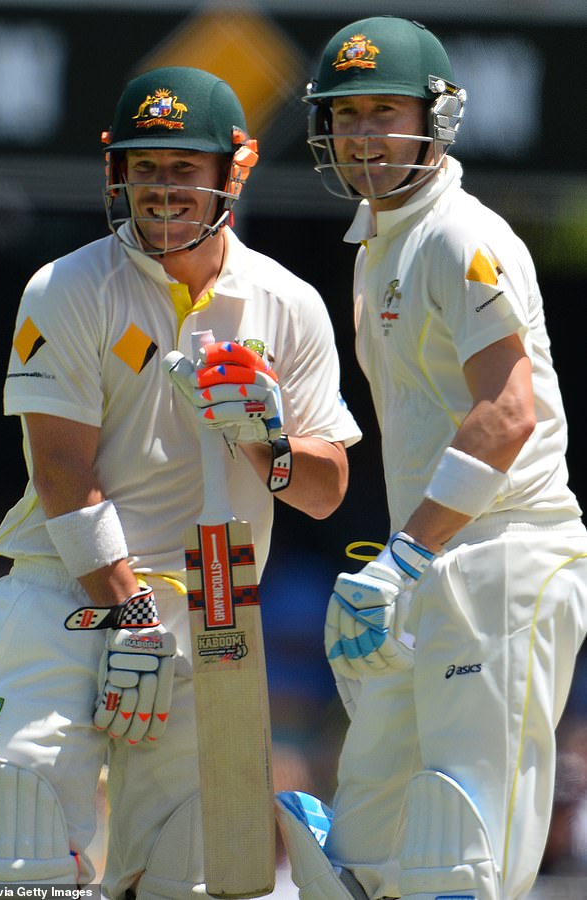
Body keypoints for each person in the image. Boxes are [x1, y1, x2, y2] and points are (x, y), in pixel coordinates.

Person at [0, 66, 361, 898]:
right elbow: (63, 471)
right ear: (115, 171)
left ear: (233, 170)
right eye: (144, 168)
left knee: (193, 875)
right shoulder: (68, 288)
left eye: (183, 167)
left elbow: (322, 490)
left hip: (212, 614)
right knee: (12, 834)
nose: (161, 190)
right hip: (65, 595)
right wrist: (127, 610)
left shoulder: (289, 304)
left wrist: (264, 440)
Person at [275, 16, 587, 900]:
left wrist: (400, 561)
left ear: (437, 119)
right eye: (346, 115)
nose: (364, 136)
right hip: (431, 558)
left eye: (385, 111)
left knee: (461, 844)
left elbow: (507, 412)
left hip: (506, 557)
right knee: (368, 844)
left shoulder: (462, 235)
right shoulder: (378, 245)